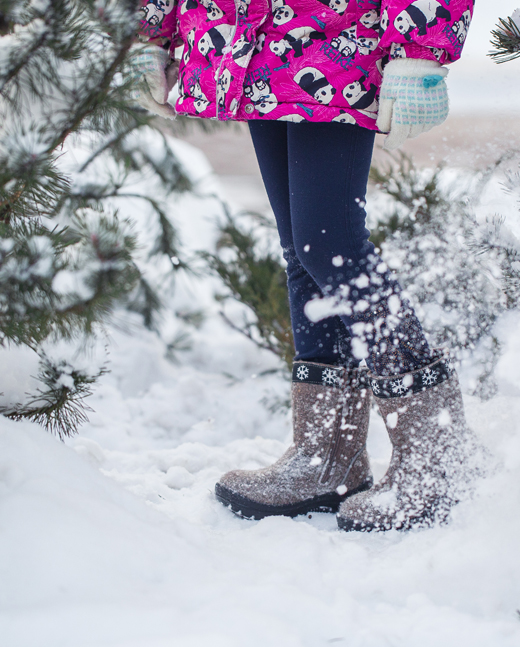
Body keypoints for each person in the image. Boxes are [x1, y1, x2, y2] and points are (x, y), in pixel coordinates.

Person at [134, 0, 476, 531]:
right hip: (246, 34)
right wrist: (149, 31)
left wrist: (421, 45)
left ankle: (436, 461)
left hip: (337, 33)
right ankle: (326, 458)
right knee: (301, 248)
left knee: (330, 244)